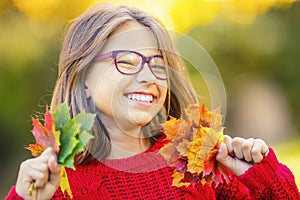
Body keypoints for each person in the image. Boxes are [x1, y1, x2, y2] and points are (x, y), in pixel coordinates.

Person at [6, 3, 299, 200]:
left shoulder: (197, 161)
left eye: (158, 64)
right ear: (83, 78)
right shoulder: (58, 183)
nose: (149, 76)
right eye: (127, 61)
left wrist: (262, 176)